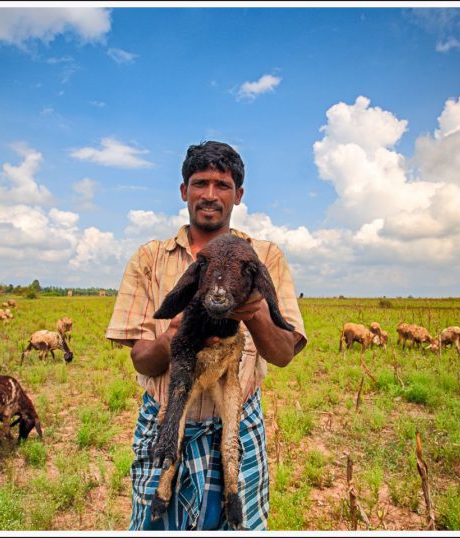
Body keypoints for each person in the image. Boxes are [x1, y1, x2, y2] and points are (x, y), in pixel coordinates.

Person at [105, 141, 307, 530]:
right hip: (166, 417)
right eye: (200, 183)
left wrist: (256, 313)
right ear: (184, 191)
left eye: (222, 185)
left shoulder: (263, 258)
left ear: (238, 195)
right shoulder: (150, 259)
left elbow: (283, 354)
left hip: (237, 422)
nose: (210, 195)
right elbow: (141, 358)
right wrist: (175, 337)